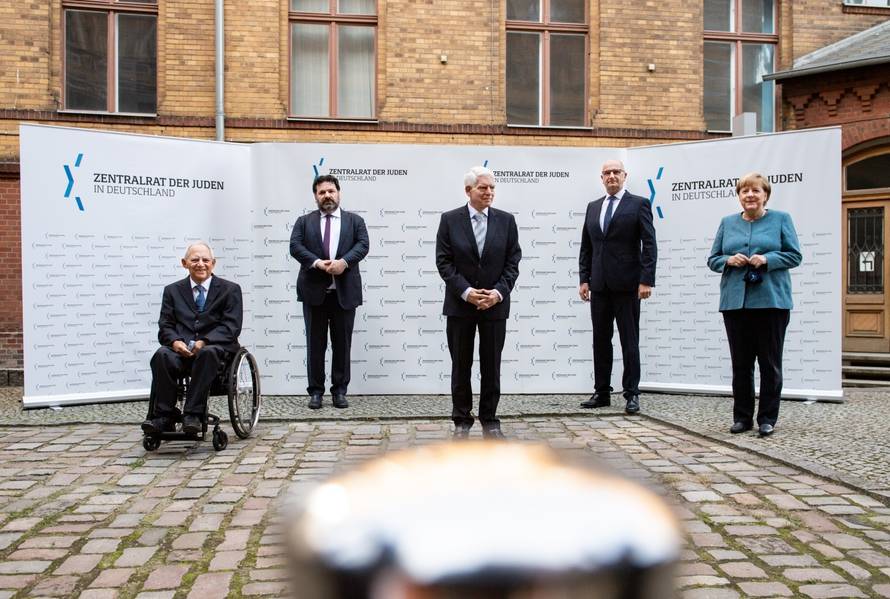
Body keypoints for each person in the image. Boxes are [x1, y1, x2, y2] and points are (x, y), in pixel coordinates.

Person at [707, 172, 802, 438]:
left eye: (755, 191)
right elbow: (712, 259)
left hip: (772, 302)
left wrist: (768, 259)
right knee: (741, 364)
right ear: (739, 196)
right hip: (735, 303)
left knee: (770, 363)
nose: (750, 195)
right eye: (744, 191)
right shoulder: (727, 223)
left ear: (765, 195)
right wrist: (728, 260)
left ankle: (767, 418)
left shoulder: (781, 219)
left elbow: (795, 255)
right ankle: (742, 418)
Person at [436, 166, 521, 439]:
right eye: (483, 187)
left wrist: (497, 293)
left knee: (491, 365)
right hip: (461, 306)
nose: (489, 192)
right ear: (468, 190)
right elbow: (444, 262)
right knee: (461, 365)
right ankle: (462, 420)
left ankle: (490, 420)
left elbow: (513, 262)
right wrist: (466, 292)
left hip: (495, 306)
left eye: (492, 188)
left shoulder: (506, 221)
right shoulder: (449, 220)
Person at [578, 159, 657, 415]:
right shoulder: (593, 207)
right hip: (599, 285)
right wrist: (584, 279)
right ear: (601, 178)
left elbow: (649, 243)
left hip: (628, 285)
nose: (612, 176)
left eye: (616, 172)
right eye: (607, 173)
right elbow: (587, 247)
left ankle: (632, 394)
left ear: (625, 176)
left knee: (629, 340)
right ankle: (602, 392)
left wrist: (646, 280)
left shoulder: (639, 204)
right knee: (600, 340)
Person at [142, 242, 243, 436]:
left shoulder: (230, 290)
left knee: (208, 352)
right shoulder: (172, 291)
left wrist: (204, 341)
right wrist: (175, 342)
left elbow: (231, 327)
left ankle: (193, 415)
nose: (201, 264)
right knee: (162, 355)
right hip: (181, 353)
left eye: (205, 260)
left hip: (215, 352)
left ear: (213, 263)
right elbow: (166, 326)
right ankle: (164, 416)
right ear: (184, 263)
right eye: (195, 260)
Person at [290, 174, 369, 410]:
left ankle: (340, 391)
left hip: (344, 293)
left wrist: (344, 262)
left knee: (342, 345)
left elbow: (363, 245)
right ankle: (315, 392)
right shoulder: (304, 222)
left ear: (339, 193)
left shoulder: (355, 221)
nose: (327, 196)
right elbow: (295, 247)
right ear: (315, 196)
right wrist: (316, 263)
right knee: (315, 345)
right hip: (314, 293)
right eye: (322, 192)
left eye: (331, 191)